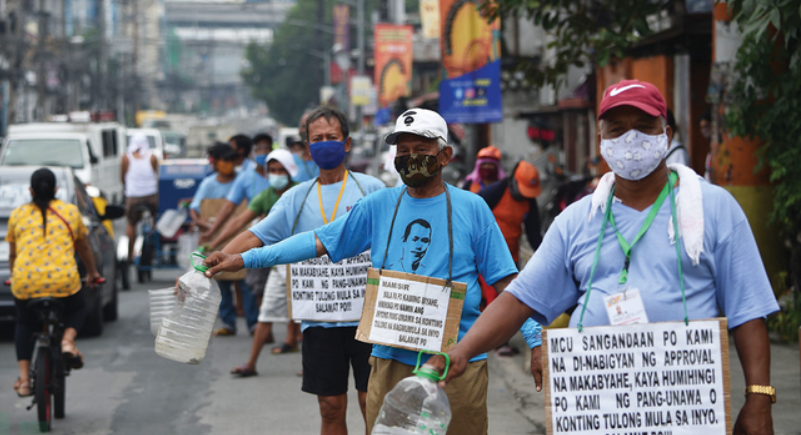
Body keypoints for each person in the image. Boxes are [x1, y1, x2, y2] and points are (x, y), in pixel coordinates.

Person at [429, 79, 779, 435]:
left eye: (644, 127)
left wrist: (759, 396)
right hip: (596, 409)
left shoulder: (714, 208)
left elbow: (749, 310)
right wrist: (460, 351)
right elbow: (520, 300)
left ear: (666, 134)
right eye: (618, 129)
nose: (631, 139)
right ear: (602, 141)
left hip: (685, 409)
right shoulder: (578, 220)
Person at [201, 108, 542, 435]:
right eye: (403, 150)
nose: (410, 158)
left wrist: (535, 340)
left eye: (421, 149)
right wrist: (243, 259)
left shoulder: (472, 208)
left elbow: (509, 285)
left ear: (445, 155)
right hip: (390, 359)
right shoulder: (379, 205)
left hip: (457, 362)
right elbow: (317, 241)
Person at [203, 106, 385, 435]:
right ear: (307, 147)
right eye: (318, 139)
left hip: (369, 320)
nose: (325, 144)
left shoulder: (372, 190)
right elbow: (256, 234)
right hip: (319, 320)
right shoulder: (296, 198)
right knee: (330, 408)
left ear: (347, 144)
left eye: (332, 137)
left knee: (370, 402)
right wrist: (216, 259)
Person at [208, 149, 303, 378]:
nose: (276, 175)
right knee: (266, 312)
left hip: (303, 263)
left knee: (306, 316)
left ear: (290, 172)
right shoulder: (266, 196)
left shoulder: (301, 194)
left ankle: (307, 364)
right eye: (272, 170)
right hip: (276, 262)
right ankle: (251, 363)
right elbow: (243, 226)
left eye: (281, 170)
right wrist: (215, 245)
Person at [8, 168, 102, 397]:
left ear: (31, 190)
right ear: (56, 190)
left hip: (26, 283)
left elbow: (13, 254)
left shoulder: (18, 215)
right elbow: (84, 247)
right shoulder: (70, 212)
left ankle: (24, 379)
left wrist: (15, 277)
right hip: (64, 282)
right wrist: (92, 273)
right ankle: (68, 342)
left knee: (24, 322)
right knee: (78, 307)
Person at [476, 161, 544, 356]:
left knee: (509, 299)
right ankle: (496, 342)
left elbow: (533, 235)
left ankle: (498, 338)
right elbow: (472, 214)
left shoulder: (529, 202)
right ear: (514, 181)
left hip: (511, 258)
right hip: (487, 257)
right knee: (494, 300)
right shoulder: (494, 193)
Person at [199, 134, 271, 244]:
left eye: (267, 148)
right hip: (258, 233)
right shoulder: (246, 177)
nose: (263, 152)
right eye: (259, 149)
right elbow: (231, 210)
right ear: (253, 151)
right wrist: (212, 237)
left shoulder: (284, 178)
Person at [121, 133, 159, 263]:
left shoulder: (126, 158)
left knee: (131, 223)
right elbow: (156, 175)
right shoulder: (152, 157)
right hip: (151, 196)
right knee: (155, 217)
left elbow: (123, 177)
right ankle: (154, 245)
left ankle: (131, 253)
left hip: (133, 196)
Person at [188, 144, 239, 231]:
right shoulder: (208, 184)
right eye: (225, 160)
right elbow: (194, 208)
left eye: (231, 160)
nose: (229, 163)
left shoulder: (242, 180)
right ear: (216, 162)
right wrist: (199, 222)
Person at [291, 112, 321, 182]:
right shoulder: (292, 160)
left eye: (310, 126)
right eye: (304, 127)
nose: (306, 130)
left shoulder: (328, 160)